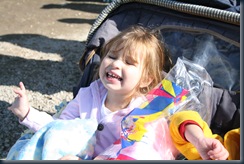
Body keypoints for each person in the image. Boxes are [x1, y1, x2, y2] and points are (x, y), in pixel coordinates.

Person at [8, 25, 230, 160]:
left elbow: (180, 125)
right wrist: (27, 113)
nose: (115, 65)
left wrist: (200, 140)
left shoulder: (148, 109)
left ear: (146, 79)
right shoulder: (88, 95)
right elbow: (57, 130)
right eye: (112, 57)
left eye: (129, 63)